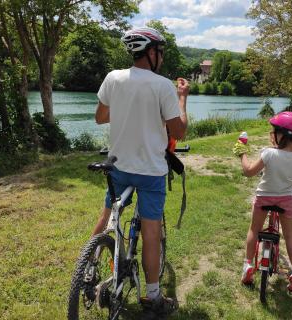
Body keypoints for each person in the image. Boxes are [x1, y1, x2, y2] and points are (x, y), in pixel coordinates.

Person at [92, 26, 189, 316]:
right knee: (151, 232)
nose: (161, 57)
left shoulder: (113, 78)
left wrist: (125, 105)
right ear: (151, 52)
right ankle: (153, 296)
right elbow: (179, 131)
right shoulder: (163, 86)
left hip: (118, 167)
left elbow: (100, 117)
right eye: (160, 52)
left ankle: (89, 265)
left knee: (108, 215)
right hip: (150, 172)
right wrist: (182, 97)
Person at [233, 111, 292, 294]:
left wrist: (242, 153)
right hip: (285, 200)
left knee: (254, 230)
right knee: (290, 235)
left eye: (273, 131)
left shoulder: (268, 154)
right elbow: (291, 165)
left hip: (264, 197)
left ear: (280, 135)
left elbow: (249, 171)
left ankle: (248, 265)